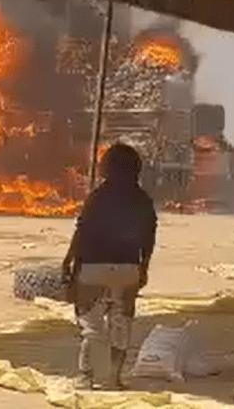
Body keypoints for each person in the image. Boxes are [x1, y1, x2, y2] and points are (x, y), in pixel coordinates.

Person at [62, 143, 157, 390]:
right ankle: (114, 379)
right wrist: (144, 267)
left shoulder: (98, 197)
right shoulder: (143, 200)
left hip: (93, 268)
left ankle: (86, 377)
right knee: (121, 324)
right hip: (128, 269)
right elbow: (149, 238)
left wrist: (69, 262)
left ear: (107, 168)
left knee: (91, 326)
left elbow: (82, 232)